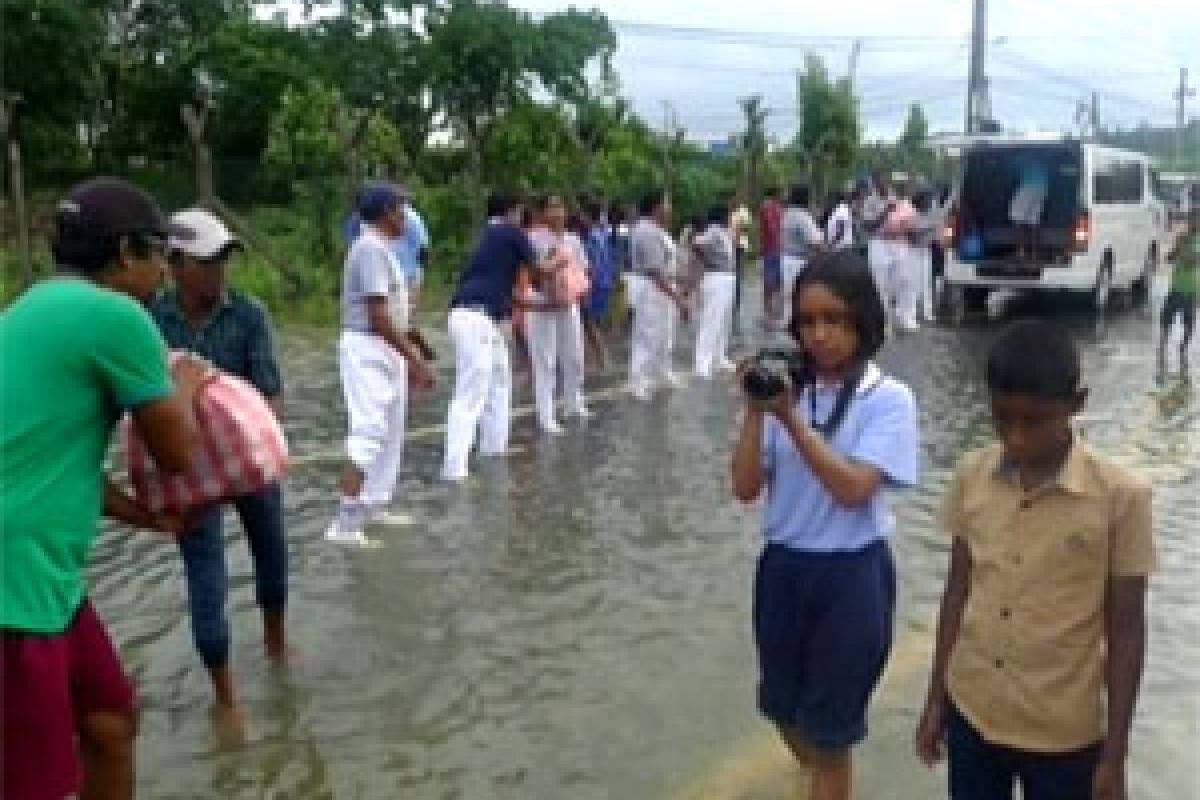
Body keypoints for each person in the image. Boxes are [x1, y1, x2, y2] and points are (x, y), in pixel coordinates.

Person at [2, 177, 209, 800]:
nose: (168, 272)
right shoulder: (119, 317)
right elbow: (177, 454)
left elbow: (53, 465)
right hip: (16, 583)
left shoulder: (30, 307)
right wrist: (189, 388)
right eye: (159, 253)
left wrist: (152, 521)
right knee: (36, 786)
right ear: (125, 254)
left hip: (49, 577)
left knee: (111, 722)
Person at [916, 320, 1154, 800]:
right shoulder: (972, 475)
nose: (1017, 437)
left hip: (1064, 733)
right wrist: (936, 699)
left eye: (1035, 421)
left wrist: (1115, 755)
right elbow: (958, 592)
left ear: (1076, 405)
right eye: (1002, 419)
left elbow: (1126, 629)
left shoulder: (1121, 498)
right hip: (974, 710)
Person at [732, 250, 919, 800]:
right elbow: (744, 488)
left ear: (862, 320)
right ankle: (818, 778)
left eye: (833, 320)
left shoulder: (887, 399)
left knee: (832, 737)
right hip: (784, 567)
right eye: (807, 321)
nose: (818, 335)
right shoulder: (787, 389)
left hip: (851, 574)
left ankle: (826, 779)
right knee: (783, 711)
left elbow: (852, 489)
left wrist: (788, 420)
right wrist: (753, 409)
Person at [149, 208, 289, 735]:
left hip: (245, 455)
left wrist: (262, 443)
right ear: (175, 264)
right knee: (205, 575)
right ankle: (225, 695)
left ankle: (275, 646)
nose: (218, 273)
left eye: (223, 261)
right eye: (206, 263)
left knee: (271, 554)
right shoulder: (151, 322)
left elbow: (269, 391)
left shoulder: (249, 315)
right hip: (185, 463)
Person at [326, 182, 435, 546]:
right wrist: (413, 356)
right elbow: (377, 316)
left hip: (385, 347)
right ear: (387, 212)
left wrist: (406, 351)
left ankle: (374, 505)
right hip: (369, 347)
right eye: (401, 209)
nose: (405, 217)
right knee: (369, 431)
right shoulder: (369, 248)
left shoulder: (382, 249)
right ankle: (344, 522)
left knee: (390, 432)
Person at [441, 192, 559, 481]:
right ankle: (454, 469)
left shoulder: (491, 238)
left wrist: (543, 304)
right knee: (471, 392)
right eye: (521, 211)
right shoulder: (510, 232)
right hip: (476, 319)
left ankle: (493, 448)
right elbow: (540, 269)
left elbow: (510, 297)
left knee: (499, 380)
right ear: (512, 211)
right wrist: (561, 260)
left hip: (478, 317)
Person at [526, 194, 591, 433]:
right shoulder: (533, 239)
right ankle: (546, 415)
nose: (557, 212)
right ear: (542, 213)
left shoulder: (573, 240)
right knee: (545, 360)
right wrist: (551, 263)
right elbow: (533, 274)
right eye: (551, 207)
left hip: (569, 302)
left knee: (574, 355)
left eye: (560, 206)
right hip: (543, 304)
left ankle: (574, 402)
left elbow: (583, 270)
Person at [627, 189, 689, 400]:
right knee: (647, 334)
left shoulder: (659, 230)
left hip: (661, 287)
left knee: (664, 333)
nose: (669, 207)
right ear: (656, 207)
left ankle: (663, 371)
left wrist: (679, 283)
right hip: (651, 288)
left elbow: (668, 264)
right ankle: (638, 381)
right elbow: (655, 272)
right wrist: (678, 298)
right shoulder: (646, 231)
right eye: (666, 203)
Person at [692, 203, 738, 378]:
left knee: (723, 320)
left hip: (727, 277)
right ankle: (702, 362)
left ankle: (719, 357)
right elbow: (697, 243)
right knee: (711, 321)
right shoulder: (714, 230)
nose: (730, 218)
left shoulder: (724, 232)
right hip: (717, 277)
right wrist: (706, 259)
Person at [1158, 208, 1198, 379]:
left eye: (1195, 220)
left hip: (1190, 290)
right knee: (1166, 318)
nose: (1192, 223)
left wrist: (1181, 249)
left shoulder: (1195, 241)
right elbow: (1171, 257)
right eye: (1191, 219)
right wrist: (1170, 254)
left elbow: (1191, 260)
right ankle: (1162, 348)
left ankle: (1183, 350)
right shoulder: (1182, 238)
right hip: (1175, 287)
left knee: (1188, 324)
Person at [780, 183, 825, 325]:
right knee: (801, 294)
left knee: (789, 294)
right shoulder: (802, 216)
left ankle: (790, 322)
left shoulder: (787, 214)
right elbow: (815, 242)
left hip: (786, 258)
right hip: (800, 260)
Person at [582, 199, 615, 369]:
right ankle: (598, 358)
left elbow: (592, 266)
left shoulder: (591, 238)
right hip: (605, 282)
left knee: (589, 322)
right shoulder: (603, 234)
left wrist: (587, 287)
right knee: (594, 322)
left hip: (595, 284)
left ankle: (600, 358)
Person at [1010, 156, 1049, 262]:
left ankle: (1021, 252)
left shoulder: (1021, 159)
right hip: (1042, 189)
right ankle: (1034, 253)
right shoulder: (1042, 163)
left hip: (1027, 187)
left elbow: (1013, 176)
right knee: (1034, 222)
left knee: (1017, 220)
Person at [759, 186, 784, 327]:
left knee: (775, 282)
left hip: (775, 248)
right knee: (770, 282)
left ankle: (772, 312)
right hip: (771, 249)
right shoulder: (768, 206)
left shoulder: (775, 206)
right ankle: (769, 314)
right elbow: (771, 226)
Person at [730, 194, 753, 332]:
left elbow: (747, 227)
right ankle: (731, 299)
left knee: (738, 274)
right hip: (728, 244)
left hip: (739, 246)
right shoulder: (728, 213)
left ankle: (736, 303)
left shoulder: (743, 211)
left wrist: (739, 227)